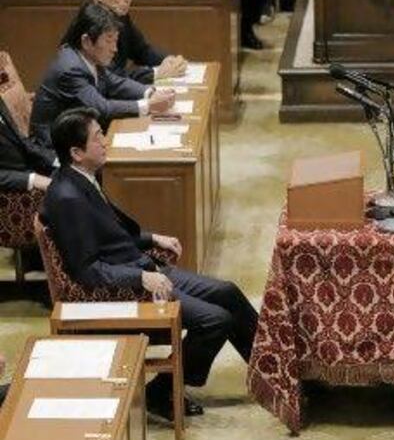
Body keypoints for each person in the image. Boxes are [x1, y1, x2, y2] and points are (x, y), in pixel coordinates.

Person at [40, 107, 259, 420]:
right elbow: (86, 270)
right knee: (215, 320)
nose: (105, 141)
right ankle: (162, 391)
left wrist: (151, 237)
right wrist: (140, 278)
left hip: (141, 264)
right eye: (98, 137)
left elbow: (110, 231)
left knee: (228, 291)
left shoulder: (83, 177)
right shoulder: (67, 198)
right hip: (126, 285)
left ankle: (272, 371)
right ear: (76, 152)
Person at [30, 2, 175, 149]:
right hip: (55, 150)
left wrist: (150, 92)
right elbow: (101, 109)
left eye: (115, 41)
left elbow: (115, 83)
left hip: (80, 138)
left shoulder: (88, 56)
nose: (114, 49)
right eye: (108, 40)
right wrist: (148, 105)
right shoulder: (71, 69)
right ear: (86, 41)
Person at [91, 0, 187, 84]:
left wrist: (169, 60)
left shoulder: (121, 17)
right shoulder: (91, 24)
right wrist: (156, 74)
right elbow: (111, 76)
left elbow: (142, 51)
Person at [0, 97, 56, 193]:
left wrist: (54, 160)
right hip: (15, 186)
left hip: (33, 166)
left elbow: (20, 140)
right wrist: (31, 179)